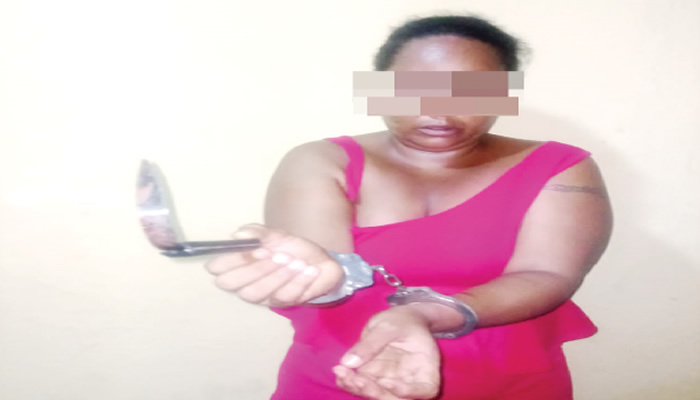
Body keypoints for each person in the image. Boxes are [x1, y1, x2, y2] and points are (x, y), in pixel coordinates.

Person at [204, 15, 613, 400]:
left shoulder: (559, 165)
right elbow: (330, 283)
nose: (438, 109)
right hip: (349, 375)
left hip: (508, 380)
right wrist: (314, 278)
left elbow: (547, 275)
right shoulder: (321, 161)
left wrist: (430, 314)